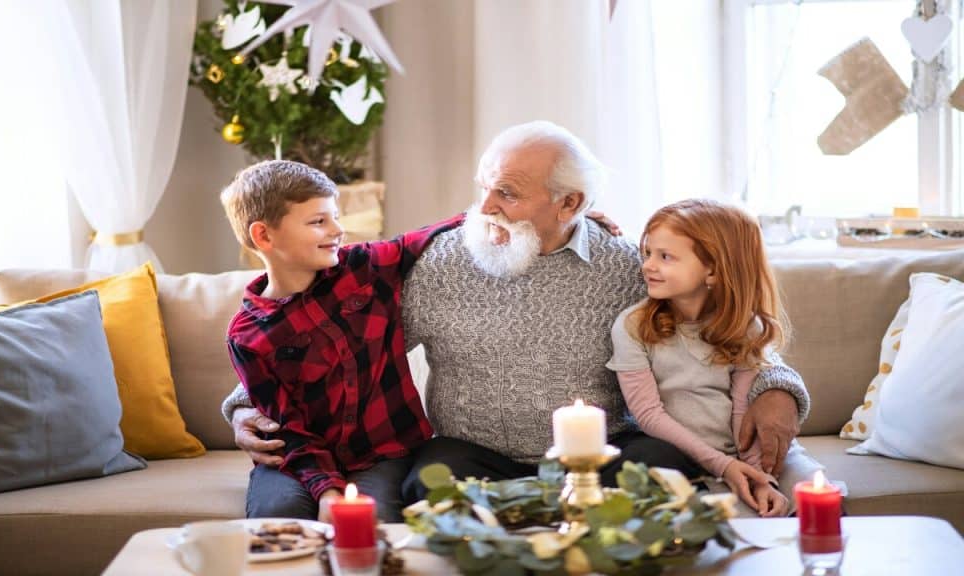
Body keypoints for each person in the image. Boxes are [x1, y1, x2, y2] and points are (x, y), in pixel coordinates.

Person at [222, 121, 811, 513]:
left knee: (665, 475)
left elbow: (726, 333)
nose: (484, 207)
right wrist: (246, 403)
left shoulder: (627, 266)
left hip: (601, 453)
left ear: (570, 203)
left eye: (507, 192)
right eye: (483, 186)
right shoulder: (442, 263)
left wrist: (776, 389)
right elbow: (336, 343)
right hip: (472, 453)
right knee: (427, 488)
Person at [220, 160, 462, 522]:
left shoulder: (363, 268)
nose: (337, 230)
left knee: (368, 519)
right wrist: (327, 490)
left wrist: (484, 214)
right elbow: (287, 427)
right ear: (264, 236)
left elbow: (417, 241)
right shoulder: (248, 337)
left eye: (335, 217)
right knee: (278, 515)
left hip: (383, 454)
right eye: (318, 221)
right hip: (296, 460)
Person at [608, 199, 815, 517]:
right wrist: (725, 466)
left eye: (665, 256)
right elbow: (648, 415)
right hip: (686, 456)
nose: (648, 266)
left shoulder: (746, 327)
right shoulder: (632, 326)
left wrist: (759, 477)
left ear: (714, 270)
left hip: (745, 453)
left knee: (813, 493)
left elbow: (743, 413)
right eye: (647, 253)